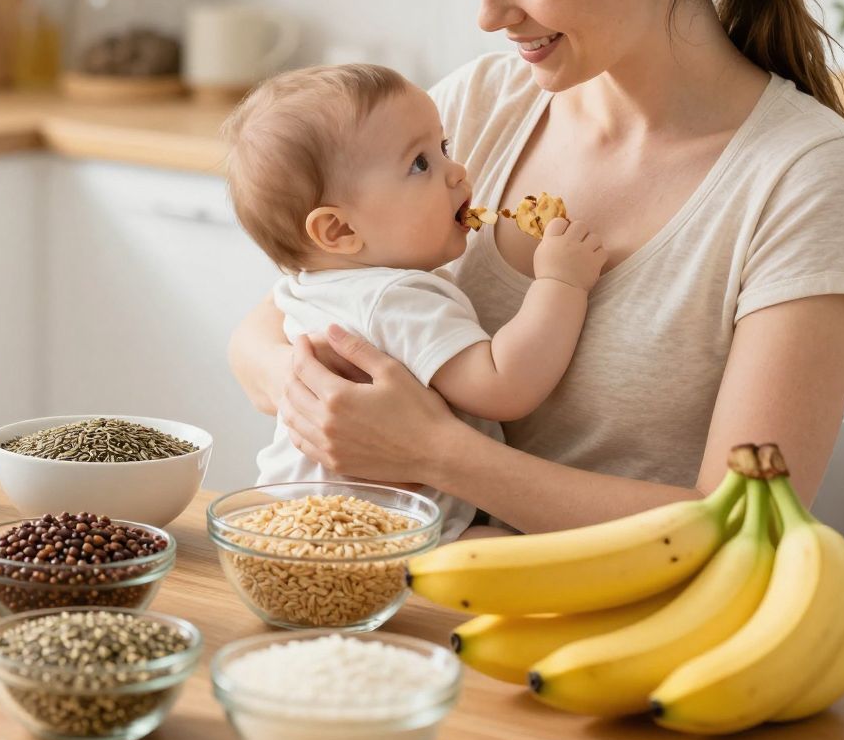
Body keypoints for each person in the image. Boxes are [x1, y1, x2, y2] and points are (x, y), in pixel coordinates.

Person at [228, 0, 844, 533]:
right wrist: (326, 404)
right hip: (403, 607)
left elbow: (751, 523)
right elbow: (267, 330)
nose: (490, 15)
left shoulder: (806, 178)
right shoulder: (476, 106)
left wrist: (435, 453)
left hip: (627, 627)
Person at [223, 63, 605, 540]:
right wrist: (561, 283)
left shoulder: (307, 286)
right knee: (509, 548)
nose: (458, 171)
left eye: (442, 148)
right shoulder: (397, 298)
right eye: (420, 164)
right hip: (378, 532)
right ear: (339, 230)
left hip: (293, 515)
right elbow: (505, 386)